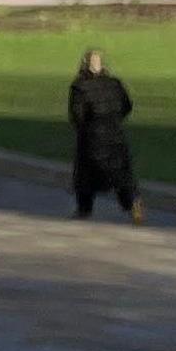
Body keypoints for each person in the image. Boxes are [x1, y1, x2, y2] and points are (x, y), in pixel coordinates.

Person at [69, 48, 144, 222]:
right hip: (115, 135)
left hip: (91, 138)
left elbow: (77, 115)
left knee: (86, 177)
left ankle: (84, 210)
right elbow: (127, 105)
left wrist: (84, 127)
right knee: (121, 175)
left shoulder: (80, 87)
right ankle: (132, 203)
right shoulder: (114, 83)